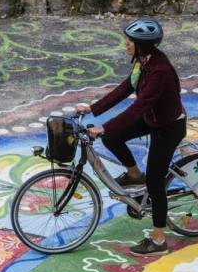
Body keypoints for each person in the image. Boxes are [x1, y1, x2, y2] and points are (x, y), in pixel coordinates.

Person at [76, 18, 186, 256]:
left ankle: (158, 240)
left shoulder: (159, 71)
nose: (126, 44)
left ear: (142, 45)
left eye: (130, 41)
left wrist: (103, 126)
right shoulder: (142, 61)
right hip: (153, 119)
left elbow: (138, 106)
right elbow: (126, 87)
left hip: (168, 128)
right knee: (113, 137)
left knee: (156, 183)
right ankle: (135, 174)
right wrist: (93, 109)